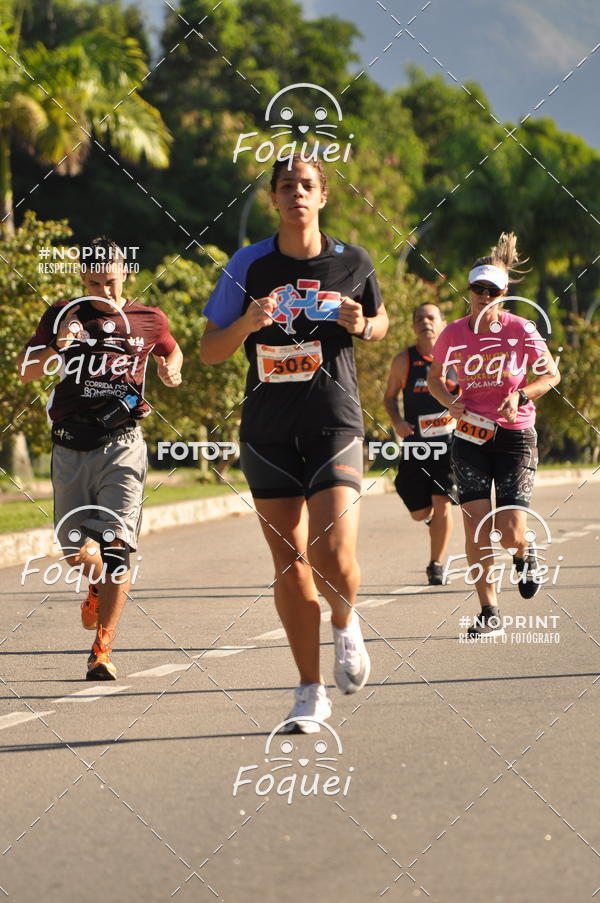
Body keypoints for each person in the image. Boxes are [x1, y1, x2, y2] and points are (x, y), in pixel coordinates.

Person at [200, 154, 388, 732]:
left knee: (333, 554)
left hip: (334, 420)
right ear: (274, 198)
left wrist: (361, 324)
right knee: (291, 564)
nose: (297, 195)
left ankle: (345, 620)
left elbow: (381, 324)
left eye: (307, 186)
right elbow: (209, 350)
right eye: (286, 187)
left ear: (322, 196)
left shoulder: (352, 260)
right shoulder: (248, 265)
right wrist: (247, 326)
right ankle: (310, 692)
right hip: (268, 429)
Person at [18, 237, 182, 678]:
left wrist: (172, 368)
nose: (104, 292)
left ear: (125, 272)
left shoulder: (147, 318)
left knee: (116, 547)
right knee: (73, 547)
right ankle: (93, 583)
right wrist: (56, 345)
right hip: (70, 446)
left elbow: (170, 347)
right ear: (80, 278)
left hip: (122, 443)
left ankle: (102, 650)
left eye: (111, 282)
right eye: (94, 282)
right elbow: (26, 368)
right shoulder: (62, 314)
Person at [427, 232, 560, 638]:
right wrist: (449, 402)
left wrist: (520, 394)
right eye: (478, 289)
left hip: (515, 436)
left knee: (508, 531)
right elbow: (435, 379)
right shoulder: (452, 334)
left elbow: (551, 374)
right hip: (470, 435)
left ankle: (525, 551)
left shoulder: (522, 329)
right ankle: (489, 611)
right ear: (469, 291)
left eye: (492, 290)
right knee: (476, 527)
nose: (484, 296)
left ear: (503, 294)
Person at [384, 303, 457, 585]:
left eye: (431, 317)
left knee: (442, 503)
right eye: (419, 319)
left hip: (449, 443)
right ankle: (433, 522)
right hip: (416, 444)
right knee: (419, 513)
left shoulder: (457, 360)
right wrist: (397, 422)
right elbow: (389, 397)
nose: (425, 322)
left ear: (442, 324)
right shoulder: (404, 361)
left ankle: (436, 564)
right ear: (414, 326)